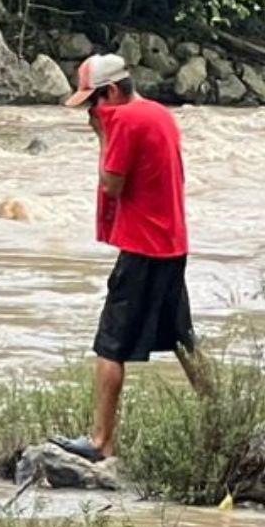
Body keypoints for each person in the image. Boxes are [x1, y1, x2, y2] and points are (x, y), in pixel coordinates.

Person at [52, 53, 193, 462]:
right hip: (171, 241)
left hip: (142, 245)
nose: (92, 114)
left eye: (93, 104)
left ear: (110, 92)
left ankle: (101, 441)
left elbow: (111, 184)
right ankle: (220, 413)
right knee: (184, 339)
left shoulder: (125, 122)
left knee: (109, 345)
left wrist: (102, 135)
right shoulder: (158, 113)